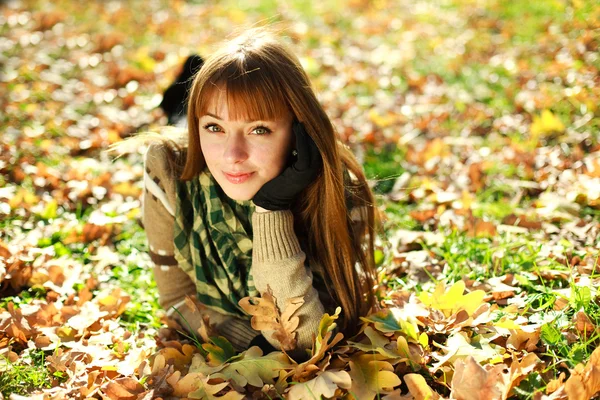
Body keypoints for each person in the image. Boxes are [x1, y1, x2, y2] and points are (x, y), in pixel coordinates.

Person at [141, 27, 378, 360]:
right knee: (182, 120)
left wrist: (272, 208)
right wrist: (251, 340)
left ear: (299, 131)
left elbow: (308, 340)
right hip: (188, 139)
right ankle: (187, 102)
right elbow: (177, 300)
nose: (232, 154)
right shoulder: (169, 169)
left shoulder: (340, 195)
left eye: (259, 129)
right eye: (213, 127)